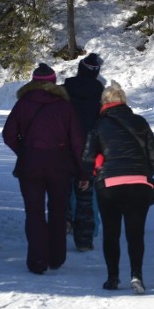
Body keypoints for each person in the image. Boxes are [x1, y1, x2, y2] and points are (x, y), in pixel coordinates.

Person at [2, 63, 87, 275]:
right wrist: (83, 172)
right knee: (58, 210)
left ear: (33, 81)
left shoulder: (23, 104)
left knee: (34, 212)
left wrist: (24, 151)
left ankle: (37, 261)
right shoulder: (64, 106)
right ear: (53, 82)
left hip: (30, 163)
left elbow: (8, 134)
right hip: (60, 164)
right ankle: (57, 257)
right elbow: (77, 142)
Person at [81, 81, 154, 294]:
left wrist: (89, 176)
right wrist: (145, 174)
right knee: (136, 233)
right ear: (124, 101)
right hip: (138, 184)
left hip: (109, 185)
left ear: (104, 103)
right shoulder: (140, 122)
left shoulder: (98, 125)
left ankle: (113, 278)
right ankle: (137, 276)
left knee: (111, 233)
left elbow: (88, 157)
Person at [63, 52, 105, 251]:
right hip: (91, 147)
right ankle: (91, 229)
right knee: (89, 189)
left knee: (66, 187)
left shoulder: (65, 90)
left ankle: (66, 221)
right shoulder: (100, 94)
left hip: (66, 146)